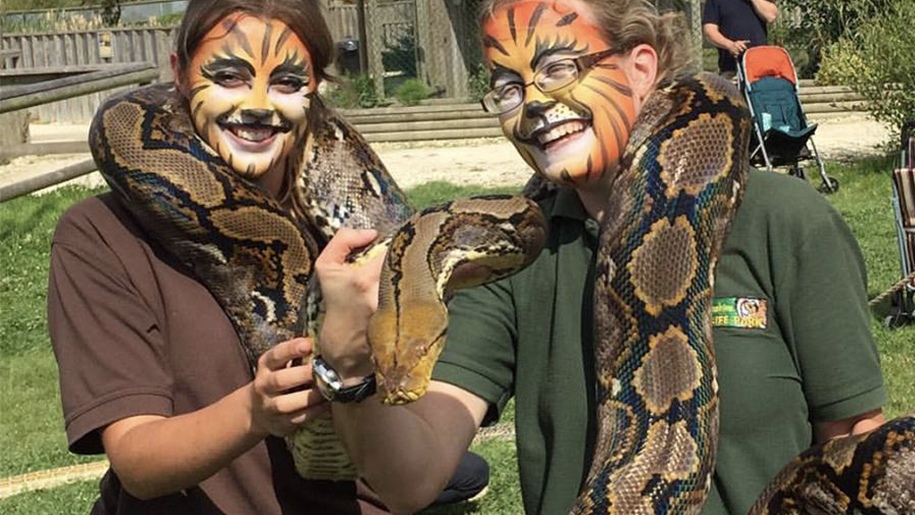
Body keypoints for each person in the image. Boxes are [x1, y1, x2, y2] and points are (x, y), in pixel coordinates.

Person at [313, 1, 887, 514]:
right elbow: (408, 482)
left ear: (640, 68)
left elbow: (854, 442)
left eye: (558, 68)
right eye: (508, 88)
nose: (535, 104)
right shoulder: (508, 256)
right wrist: (348, 365)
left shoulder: (785, 220)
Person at [47, 0, 485, 512]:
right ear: (178, 75)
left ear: (314, 89)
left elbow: (411, 457)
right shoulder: (102, 234)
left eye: (286, 82)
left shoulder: (371, 240)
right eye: (228, 76)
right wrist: (255, 411)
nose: (257, 105)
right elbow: (137, 464)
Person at [702, 0, 778, 79]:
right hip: (731, 69)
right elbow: (709, 31)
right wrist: (730, 45)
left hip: (760, 68)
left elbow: (771, 16)